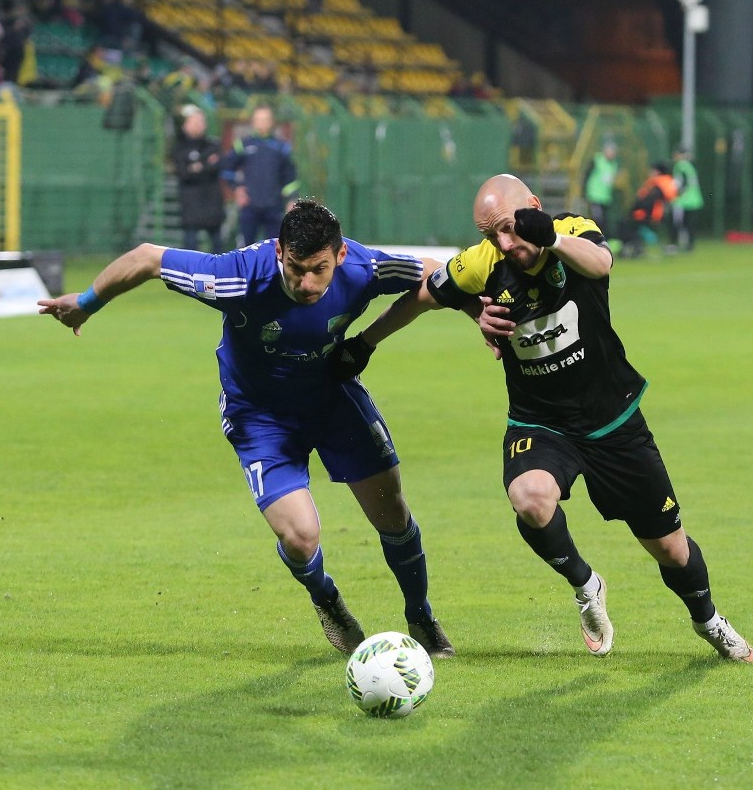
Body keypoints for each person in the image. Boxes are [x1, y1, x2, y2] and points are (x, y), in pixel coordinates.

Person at [330, 173, 753, 663]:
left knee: (672, 550)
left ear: (533, 207)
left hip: (613, 421)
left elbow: (601, 263)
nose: (504, 244)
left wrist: (551, 236)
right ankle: (586, 585)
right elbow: (426, 294)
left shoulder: (572, 232)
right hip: (541, 423)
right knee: (530, 499)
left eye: (511, 229)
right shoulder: (482, 263)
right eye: (491, 235)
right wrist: (367, 343)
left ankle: (708, 621)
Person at [37, 198, 454, 659]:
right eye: (295, 268)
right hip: (259, 416)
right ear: (279, 252)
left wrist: (463, 321)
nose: (306, 283)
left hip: (332, 398)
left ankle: (421, 616)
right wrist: (87, 303)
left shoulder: (364, 265)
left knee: (391, 513)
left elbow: (441, 279)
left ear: (339, 256)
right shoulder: (237, 276)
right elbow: (148, 258)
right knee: (299, 536)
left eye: (318, 269)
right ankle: (327, 599)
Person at [220, 104, 299, 246]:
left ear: (272, 121)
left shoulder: (282, 147)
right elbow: (227, 168)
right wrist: (237, 189)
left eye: (266, 119)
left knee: (276, 248)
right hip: (250, 206)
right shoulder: (243, 144)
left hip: (274, 207)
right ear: (253, 122)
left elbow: (290, 177)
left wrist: (291, 199)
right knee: (246, 248)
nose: (262, 123)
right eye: (259, 119)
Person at [172, 105, 225, 253]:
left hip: (212, 203)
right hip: (191, 204)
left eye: (201, 121)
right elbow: (184, 173)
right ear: (185, 125)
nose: (199, 125)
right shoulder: (179, 147)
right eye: (194, 122)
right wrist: (206, 163)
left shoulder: (213, 144)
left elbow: (218, 164)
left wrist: (197, 166)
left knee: (218, 247)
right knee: (190, 247)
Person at [616, 162, 677, 258]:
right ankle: (634, 248)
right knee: (628, 223)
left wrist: (635, 210)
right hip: (655, 215)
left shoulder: (656, 185)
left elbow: (648, 202)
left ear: (657, 172)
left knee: (625, 224)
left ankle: (632, 248)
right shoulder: (666, 183)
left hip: (650, 216)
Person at [668, 146, 704, 252]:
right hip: (694, 200)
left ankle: (672, 246)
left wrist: (675, 194)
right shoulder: (689, 166)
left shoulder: (680, 165)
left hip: (683, 200)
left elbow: (679, 183)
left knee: (676, 223)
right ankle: (690, 246)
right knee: (689, 225)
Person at [581, 139, 618, 235]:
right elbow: (586, 175)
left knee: (605, 221)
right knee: (597, 219)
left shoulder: (613, 164)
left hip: (605, 197)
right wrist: (584, 192)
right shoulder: (596, 160)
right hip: (594, 195)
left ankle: (603, 240)